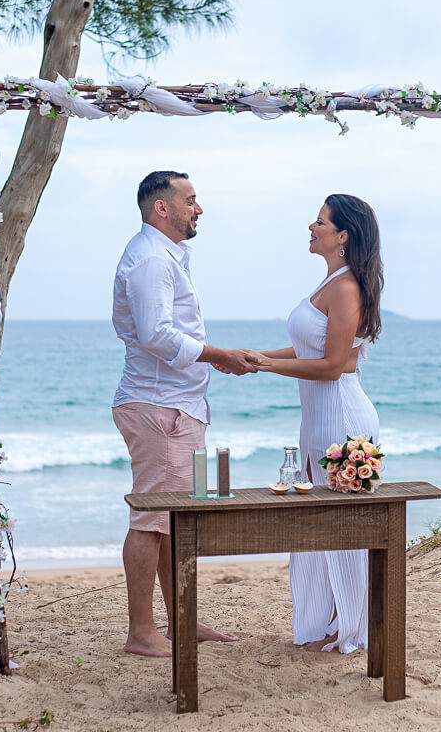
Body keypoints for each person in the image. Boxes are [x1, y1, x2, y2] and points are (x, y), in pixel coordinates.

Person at [111, 170, 256, 658]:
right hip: (160, 409)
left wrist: (213, 359)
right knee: (151, 519)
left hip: (177, 407)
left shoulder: (165, 255)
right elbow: (156, 336)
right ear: (162, 208)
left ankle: (182, 622)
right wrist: (218, 354)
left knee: (173, 520)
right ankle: (141, 633)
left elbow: (167, 333)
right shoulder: (153, 259)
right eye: (191, 200)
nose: (199, 208)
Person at [251, 193, 384, 653]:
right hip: (318, 421)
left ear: (342, 235)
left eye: (321, 221)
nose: (312, 226)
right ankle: (327, 622)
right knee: (315, 525)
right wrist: (258, 356)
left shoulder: (347, 288)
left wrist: (267, 368)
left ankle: (347, 629)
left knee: (342, 530)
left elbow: (334, 366)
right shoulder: (332, 283)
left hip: (342, 422)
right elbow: (311, 350)